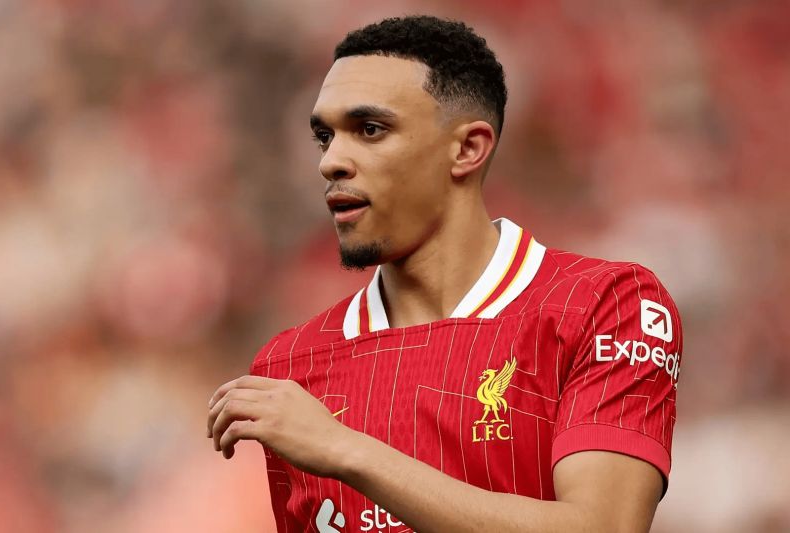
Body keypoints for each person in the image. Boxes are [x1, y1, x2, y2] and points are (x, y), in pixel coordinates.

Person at [207, 15, 682, 533]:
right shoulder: (291, 366)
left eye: (370, 130)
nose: (331, 162)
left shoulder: (606, 304)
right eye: (325, 137)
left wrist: (346, 450)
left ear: (467, 148)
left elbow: (606, 527)